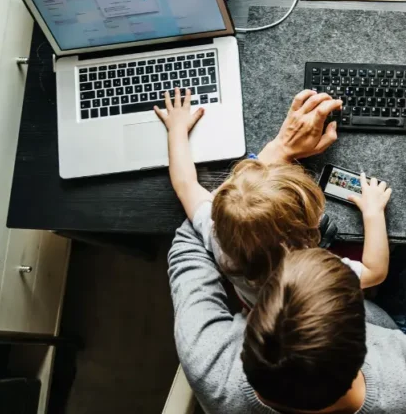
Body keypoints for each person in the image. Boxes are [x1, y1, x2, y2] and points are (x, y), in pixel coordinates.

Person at [166, 76, 406, 413]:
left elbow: (189, 241)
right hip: (392, 326)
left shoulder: (209, 366)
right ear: (363, 344)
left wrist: (272, 158)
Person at [154, 88, 393, 306]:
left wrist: (176, 130)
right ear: (308, 233)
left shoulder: (217, 233)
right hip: (307, 302)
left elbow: (185, 183)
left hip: (257, 302)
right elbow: (375, 272)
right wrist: (373, 213)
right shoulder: (314, 272)